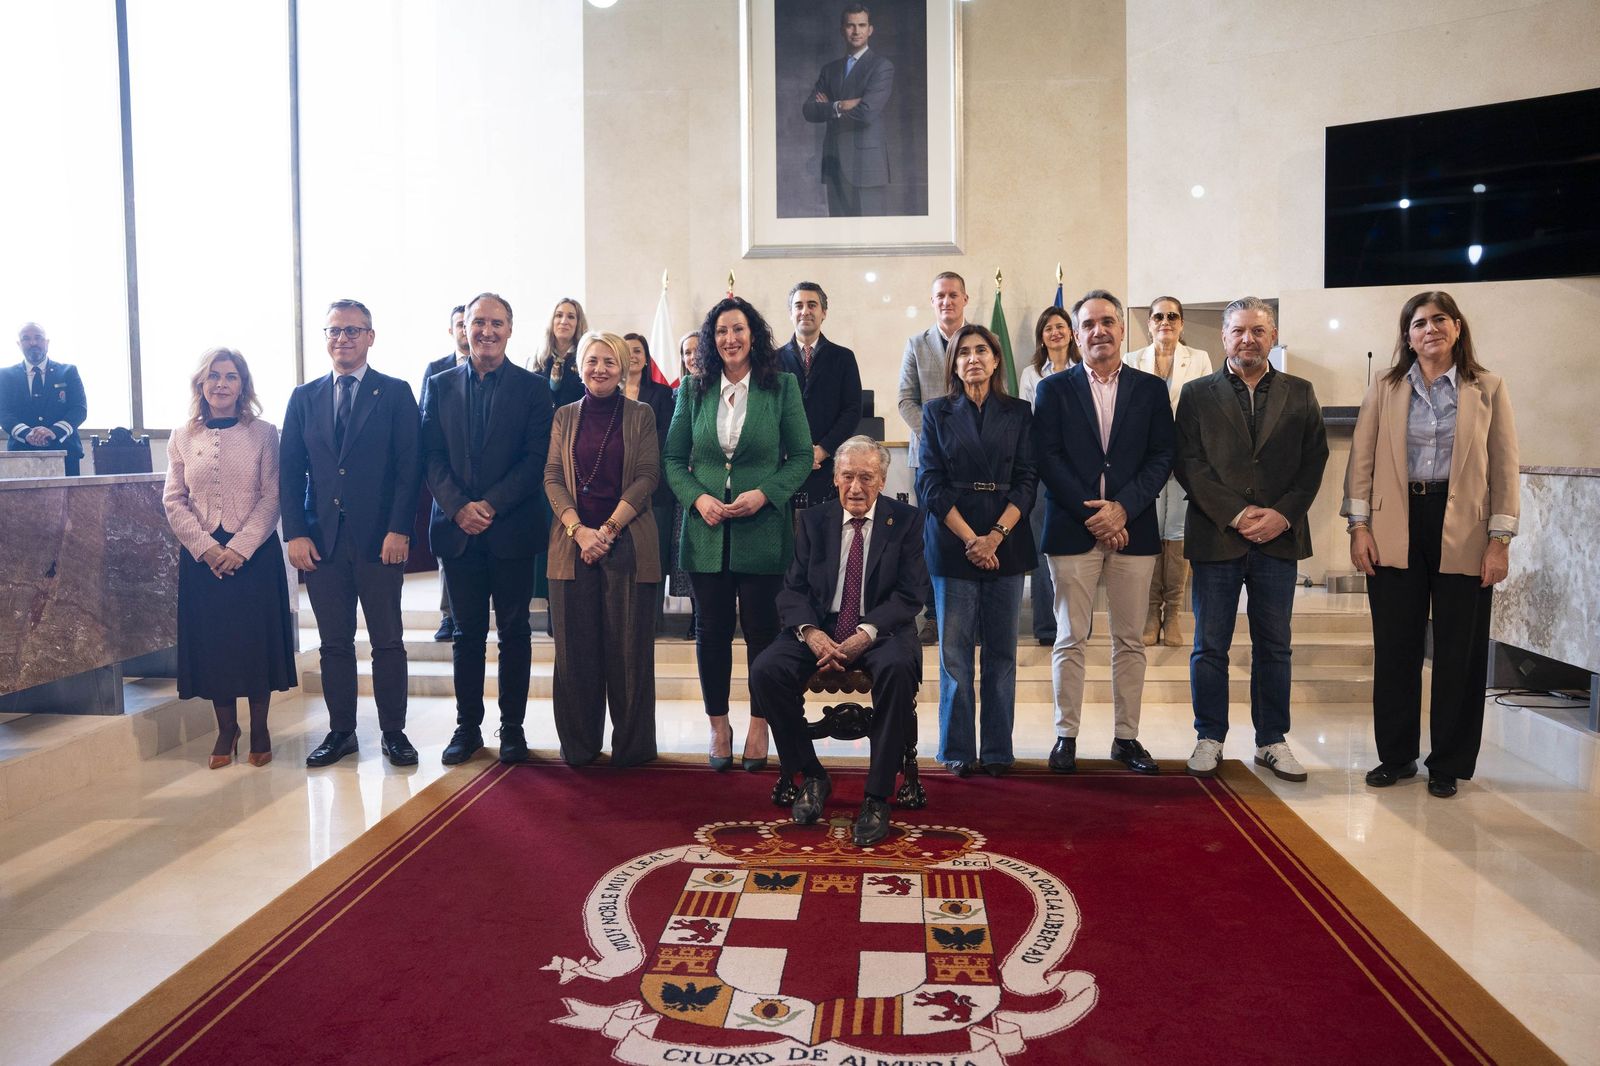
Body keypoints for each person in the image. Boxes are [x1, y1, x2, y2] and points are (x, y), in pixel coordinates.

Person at [1343, 291, 1518, 799]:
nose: (1429, 329)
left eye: (1440, 320)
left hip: (1464, 527)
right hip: (1396, 525)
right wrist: (1359, 527)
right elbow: (1362, 460)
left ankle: (1449, 762)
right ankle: (1396, 757)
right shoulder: (1386, 386)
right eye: (1418, 323)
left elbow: (1504, 468)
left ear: (1458, 328)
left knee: (1458, 652)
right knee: (1396, 647)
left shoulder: (1487, 387)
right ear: (1407, 336)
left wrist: (1499, 540)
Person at [1175, 296, 1328, 782]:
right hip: (1218, 535)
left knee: (1275, 646)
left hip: (1278, 540)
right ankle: (1209, 736)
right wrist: (1238, 513)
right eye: (1239, 331)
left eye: (1258, 331)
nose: (1248, 339)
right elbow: (1189, 463)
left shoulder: (1301, 392)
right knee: (1209, 645)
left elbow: (1314, 461)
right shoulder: (1197, 393)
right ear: (1223, 337)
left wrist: (1282, 515)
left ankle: (1271, 741)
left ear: (1273, 336)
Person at [750, 436, 928, 846]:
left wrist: (865, 634)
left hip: (881, 627)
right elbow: (793, 590)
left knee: (899, 669)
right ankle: (812, 775)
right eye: (847, 476)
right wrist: (811, 633)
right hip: (820, 624)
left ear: (882, 479)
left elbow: (911, 593)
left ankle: (877, 795)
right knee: (766, 671)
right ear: (834, 478)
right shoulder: (814, 520)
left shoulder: (906, 521)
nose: (856, 487)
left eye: (866, 477)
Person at [663, 296, 811, 772]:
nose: (730, 339)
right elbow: (672, 459)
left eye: (739, 330)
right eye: (722, 331)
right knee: (711, 631)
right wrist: (697, 498)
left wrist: (766, 493)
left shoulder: (781, 386)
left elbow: (802, 457)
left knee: (764, 633)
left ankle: (759, 724)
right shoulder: (693, 388)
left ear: (754, 336)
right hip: (706, 530)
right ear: (712, 339)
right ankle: (718, 724)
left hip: (762, 528)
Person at [1031, 291, 1172, 776]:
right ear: (1075, 332)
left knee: (1129, 639)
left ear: (1122, 329)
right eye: (1088, 324)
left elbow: (1161, 458)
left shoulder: (1152, 389)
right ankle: (1065, 735)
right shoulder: (1053, 389)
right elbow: (1046, 457)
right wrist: (1094, 513)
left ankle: (1126, 738)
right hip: (1073, 528)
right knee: (1070, 637)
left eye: (1108, 321)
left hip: (1134, 529)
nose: (1099, 331)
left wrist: (1123, 509)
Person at [280, 299, 421, 768]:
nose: (343, 339)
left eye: (353, 331)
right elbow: (290, 471)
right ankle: (342, 731)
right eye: (335, 331)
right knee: (334, 644)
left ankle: (394, 733)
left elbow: (409, 469)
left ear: (370, 337)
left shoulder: (396, 393)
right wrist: (295, 534)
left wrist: (400, 528)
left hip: (380, 540)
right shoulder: (304, 397)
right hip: (321, 544)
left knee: (387, 642)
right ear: (325, 338)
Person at [422, 292, 553, 766]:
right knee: (466, 634)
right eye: (479, 322)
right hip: (458, 532)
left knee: (515, 633)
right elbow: (431, 456)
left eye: (497, 323)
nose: (487, 331)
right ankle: (467, 728)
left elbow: (535, 459)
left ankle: (512, 729)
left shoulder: (533, 389)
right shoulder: (437, 385)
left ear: (510, 329)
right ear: (465, 327)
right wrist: (459, 508)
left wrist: (489, 505)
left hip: (511, 528)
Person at [163, 348, 296, 768]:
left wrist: (239, 547)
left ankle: (259, 727)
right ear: (201, 385)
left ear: (243, 385)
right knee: (215, 645)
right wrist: (206, 547)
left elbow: (273, 495)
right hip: (203, 558)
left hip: (253, 556)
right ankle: (226, 729)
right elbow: (173, 500)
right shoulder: (182, 436)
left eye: (231, 376)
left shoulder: (264, 433)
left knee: (255, 643)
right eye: (214, 376)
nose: (222, 383)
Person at [917, 324, 1038, 778]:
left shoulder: (1021, 412)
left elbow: (1028, 480)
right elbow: (929, 482)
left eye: (981, 350)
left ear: (996, 359)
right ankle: (957, 749)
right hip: (953, 543)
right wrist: (972, 539)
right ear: (953, 363)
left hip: (1007, 538)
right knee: (955, 654)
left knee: (1002, 653)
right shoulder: (936, 412)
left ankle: (997, 751)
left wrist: (995, 538)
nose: (973, 358)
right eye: (963, 352)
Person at [545, 331, 661, 767]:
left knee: (629, 654)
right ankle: (579, 746)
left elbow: (648, 475)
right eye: (592, 360)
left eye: (609, 362)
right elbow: (552, 476)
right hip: (571, 546)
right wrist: (580, 531)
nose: (600, 369)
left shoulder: (641, 414)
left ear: (625, 367)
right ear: (579, 366)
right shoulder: (564, 416)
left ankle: (632, 750)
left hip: (629, 542)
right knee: (574, 654)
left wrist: (608, 528)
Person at [1130, 297, 1212, 647]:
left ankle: (1173, 613)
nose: (1166, 321)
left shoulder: (1201, 359)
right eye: (1159, 316)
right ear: (1149, 322)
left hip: (1183, 460)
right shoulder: (1132, 360)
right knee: (1151, 531)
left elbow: (1207, 410)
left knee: (1177, 535)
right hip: (1145, 461)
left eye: (1173, 316)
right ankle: (1151, 613)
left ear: (1182, 324)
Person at [897, 271, 969, 642]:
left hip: (975, 460)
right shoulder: (917, 343)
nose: (947, 301)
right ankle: (933, 617)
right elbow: (905, 400)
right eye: (940, 295)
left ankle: (971, 620)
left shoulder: (979, 341)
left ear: (965, 299)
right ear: (932, 301)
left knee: (970, 532)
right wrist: (936, 439)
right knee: (933, 537)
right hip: (927, 460)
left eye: (953, 295)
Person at [1018, 306, 1080, 646]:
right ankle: (1046, 627)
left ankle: (1075, 625)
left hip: (1079, 471)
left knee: (1076, 551)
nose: (1055, 332)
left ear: (1071, 332)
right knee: (1045, 549)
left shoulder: (1084, 369)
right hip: (1043, 470)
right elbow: (1031, 422)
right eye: (1048, 328)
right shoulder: (1031, 374)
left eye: (1060, 326)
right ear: (1041, 337)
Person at [800, 3, 895, 217]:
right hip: (834, 164)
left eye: (862, 25)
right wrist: (841, 105)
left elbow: (867, 113)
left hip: (867, 166)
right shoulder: (830, 69)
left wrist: (829, 108)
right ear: (842, 30)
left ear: (870, 29)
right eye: (851, 25)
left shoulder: (881, 66)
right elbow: (808, 110)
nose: (856, 31)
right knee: (839, 239)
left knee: (869, 238)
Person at [776, 281, 863, 506]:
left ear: (823, 312)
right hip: (783, 467)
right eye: (799, 306)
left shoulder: (843, 358)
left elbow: (852, 410)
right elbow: (766, 414)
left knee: (825, 536)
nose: (805, 311)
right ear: (790, 313)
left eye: (812, 305)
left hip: (829, 466)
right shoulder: (771, 361)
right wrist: (792, 451)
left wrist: (823, 450)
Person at [422, 304, 471, 642]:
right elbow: (426, 427)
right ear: (452, 330)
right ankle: (447, 616)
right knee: (448, 554)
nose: (466, 331)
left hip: (486, 482)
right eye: (460, 325)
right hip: (449, 481)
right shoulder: (436, 371)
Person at [624, 332, 678, 634]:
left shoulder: (660, 393)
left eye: (638, 350)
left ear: (646, 358)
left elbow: (664, 435)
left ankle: (651, 620)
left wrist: (636, 463)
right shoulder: (609, 392)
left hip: (654, 486)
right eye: (627, 350)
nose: (632, 355)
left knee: (651, 554)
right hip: (614, 488)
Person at [2, 322, 87, 476]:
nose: (33, 342)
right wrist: (27, 433)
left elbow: (79, 409)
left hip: (65, 452)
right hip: (21, 454)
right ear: (19, 344)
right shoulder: (5, 376)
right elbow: (3, 412)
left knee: (67, 501)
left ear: (47, 342)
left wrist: (53, 432)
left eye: (38, 337)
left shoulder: (68, 372)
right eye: (26, 338)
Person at [668, 331, 701, 640]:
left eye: (696, 349)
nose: (692, 356)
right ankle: (696, 615)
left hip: (713, 479)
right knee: (687, 553)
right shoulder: (676, 394)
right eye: (686, 352)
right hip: (686, 485)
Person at [527, 297, 589, 409]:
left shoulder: (587, 360)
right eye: (559, 315)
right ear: (552, 321)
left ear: (578, 323)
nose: (564, 321)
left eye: (571, 317)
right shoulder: (535, 360)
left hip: (575, 422)